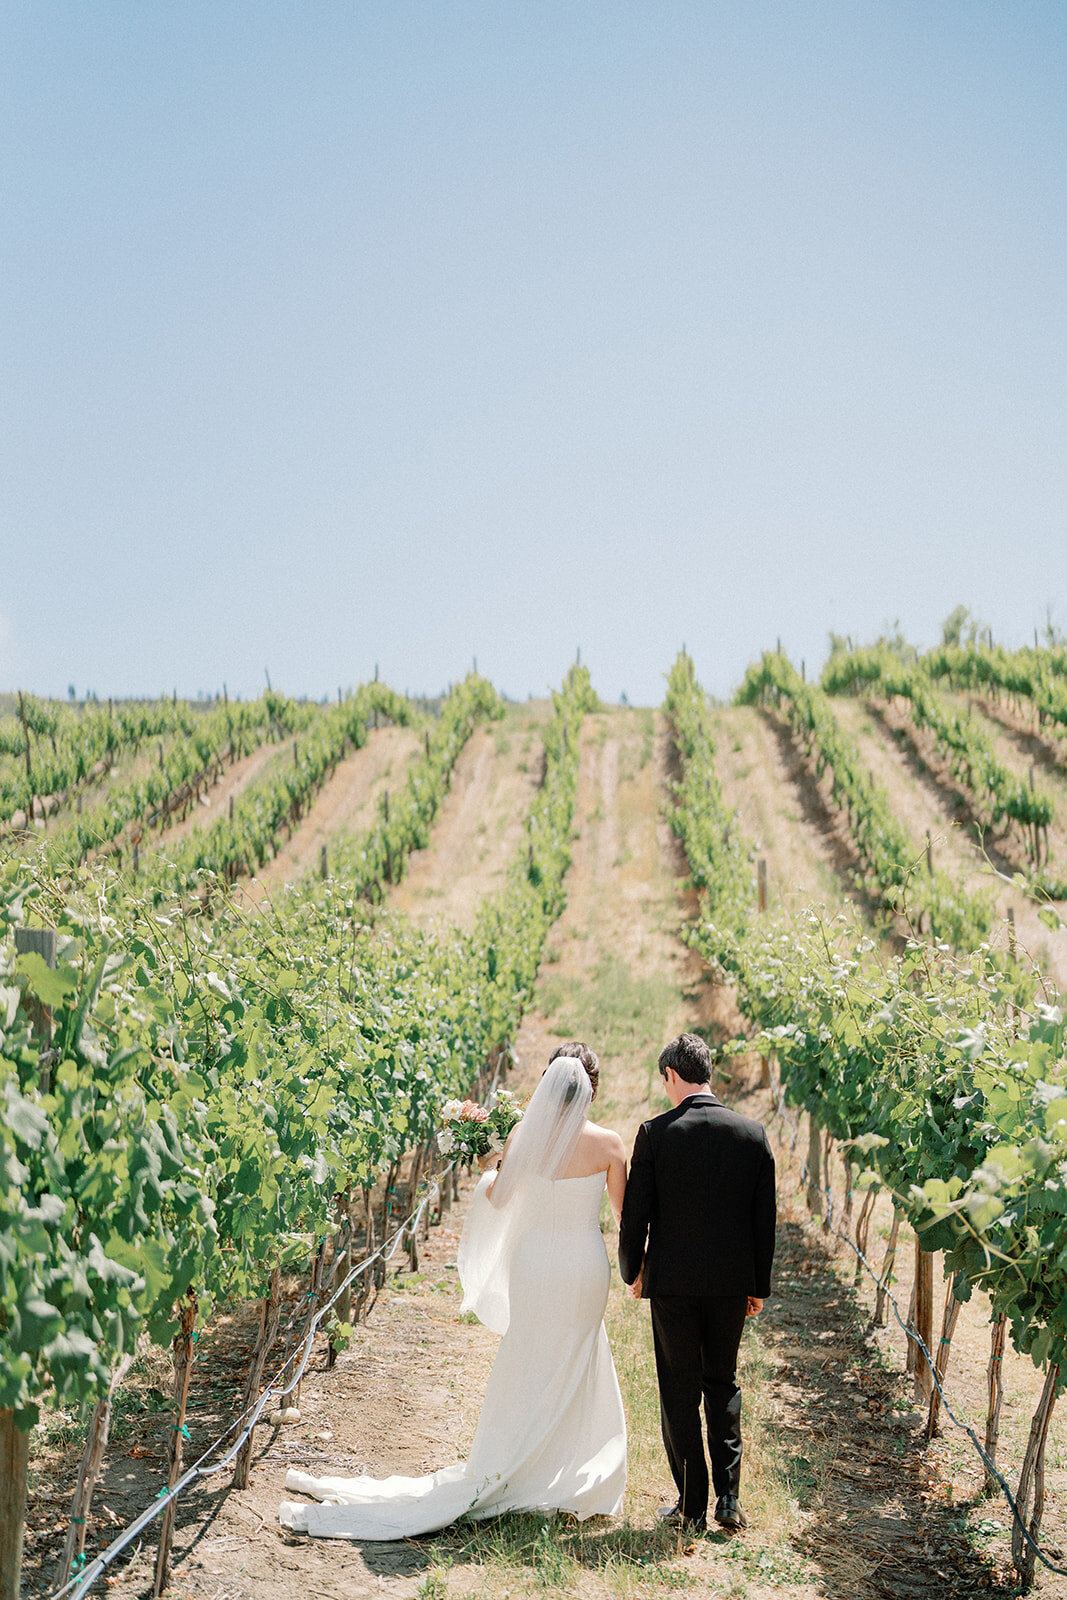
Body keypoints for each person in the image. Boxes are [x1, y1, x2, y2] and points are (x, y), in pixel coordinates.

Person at [279, 1043, 628, 1540]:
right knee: (576, 1356)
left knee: (528, 1356)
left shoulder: (525, 1136)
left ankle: (512, 1464)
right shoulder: (611, 1144)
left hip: (534, 1267)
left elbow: (501, 1197)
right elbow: (623, 1217)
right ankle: (568, 1477)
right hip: (583, 1268)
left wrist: (490, 1169)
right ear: (592, 1088)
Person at [618, 1032, 775, 1534]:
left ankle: (690, 1505)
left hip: (673, 1285)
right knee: (722, 1383)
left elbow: (635, 1217)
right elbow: (763, 1222)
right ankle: (728, 1500)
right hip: (731, 1284)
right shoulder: (752, 1135)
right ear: (708, 1073)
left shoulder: (654, 1134)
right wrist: (758, 1286)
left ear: (670, 1075)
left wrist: (632, 1271)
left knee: (678, 1389)